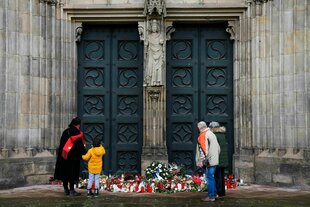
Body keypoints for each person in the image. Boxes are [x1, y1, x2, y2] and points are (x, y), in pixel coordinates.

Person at [54, 117, 86, 196]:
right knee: (72, 173)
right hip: (73, 157)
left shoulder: (66, 132)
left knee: (65, 172)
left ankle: (66, 189)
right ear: (78, 125)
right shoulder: (77, 133)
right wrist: (85, 153)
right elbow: (80, 145)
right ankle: (72, 190)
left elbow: (61, 144)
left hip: (64, 156)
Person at [196, 121, 221, 202]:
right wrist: (215, 157)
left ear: (200, 128)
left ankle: (211, 196)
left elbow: (203, 150)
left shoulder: (203, 135)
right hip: (214, 159)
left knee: (209, 177)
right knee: (211, 177)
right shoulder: (211, 134)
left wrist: (201, 161)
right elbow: (218, 148)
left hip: (208, 160)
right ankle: (214, 194)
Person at [144, 19, 164, 86]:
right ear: (151, 28)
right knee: (150, 66)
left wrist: (161, 42)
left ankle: (158, 82)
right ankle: (151, 82)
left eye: (155, 27)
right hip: (151, 54)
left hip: (159, 53)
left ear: (157, 27)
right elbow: (146, 45)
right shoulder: (148, 36)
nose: (154, 28)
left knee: (158, 68)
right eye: (153, 27)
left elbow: (162, 43)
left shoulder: (160, 35)